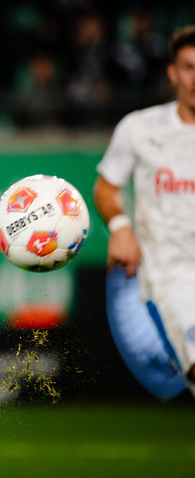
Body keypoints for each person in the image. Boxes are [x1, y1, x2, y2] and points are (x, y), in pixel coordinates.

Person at [94, 24, 195, 396]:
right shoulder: (139, 128)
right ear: (172, 72)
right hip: (172, 278)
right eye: (188, 67)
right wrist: (120, 226)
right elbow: (106, 186)